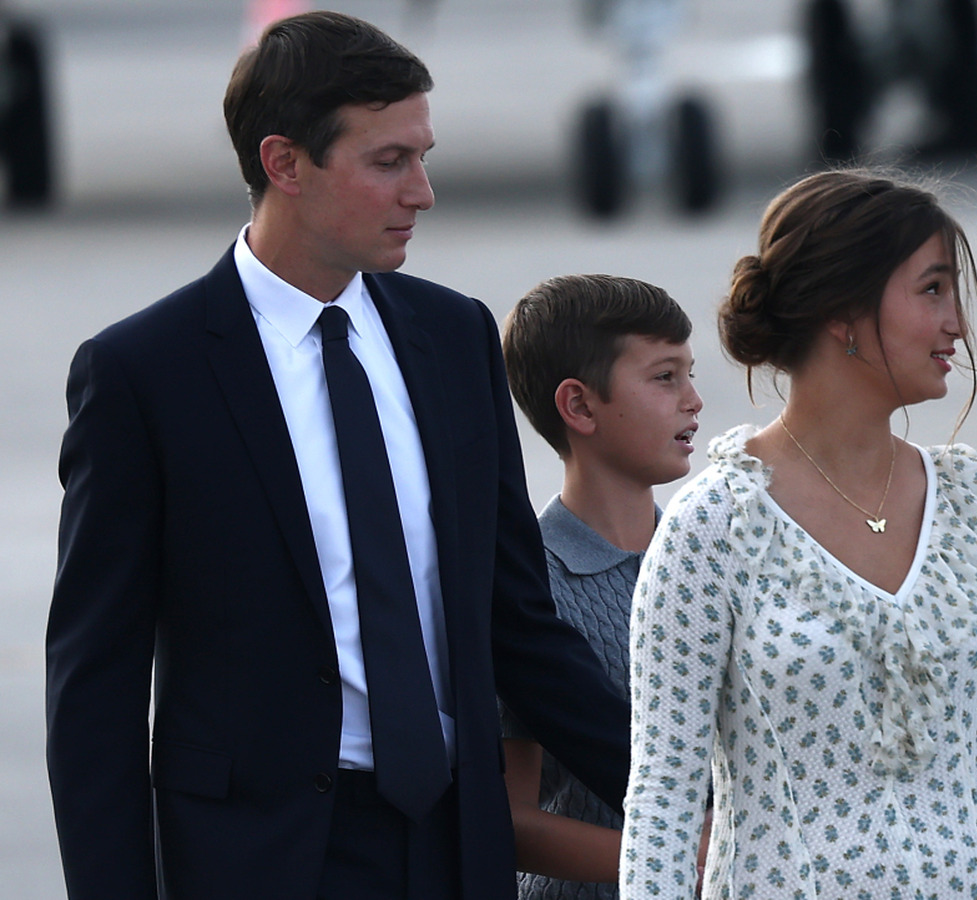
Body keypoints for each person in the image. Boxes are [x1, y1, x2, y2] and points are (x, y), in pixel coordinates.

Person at [44, 12, 630, 900]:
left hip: (451, 844)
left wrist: (699, 793)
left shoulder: (454, 335)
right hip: (258, 861)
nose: (423, 192)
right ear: (285, 164)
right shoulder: (143, 376)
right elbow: (96, 690)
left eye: (422, 156)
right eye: (389, 161)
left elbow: (516, 624)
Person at [619, 168, 977, 900]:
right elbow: (663, 802)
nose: (959, 325)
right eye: (933, 290)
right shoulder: (713, 528)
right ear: (843, 310)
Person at [497, 274, 702, 898]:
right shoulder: (529, 592)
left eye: (689, 374)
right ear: (579, 406)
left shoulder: (714, 559)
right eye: (665, 377)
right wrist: (678, 857)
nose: (693, 399)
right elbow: (511, 820)